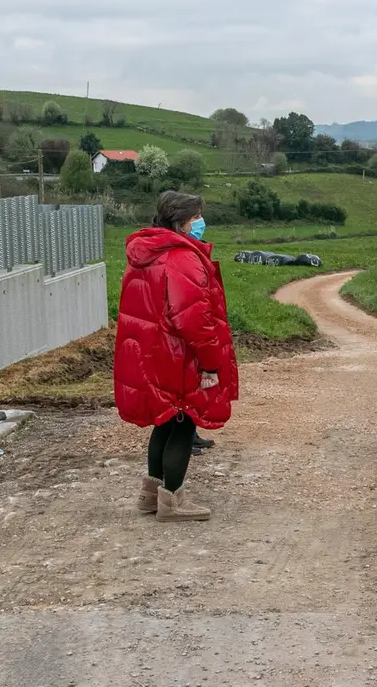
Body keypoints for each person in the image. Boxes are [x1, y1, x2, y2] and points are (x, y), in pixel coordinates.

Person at [114, 191, 239, 522]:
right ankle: (173, 501)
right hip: (178, 356)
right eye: (196, 217)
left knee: (165, 422)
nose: (201, 222)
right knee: (184, 422)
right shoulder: (181, 258)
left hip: (152, 353)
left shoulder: (148, 254)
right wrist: (210, 363)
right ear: (182, 223)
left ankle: (150, 495)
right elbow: (194, 319)